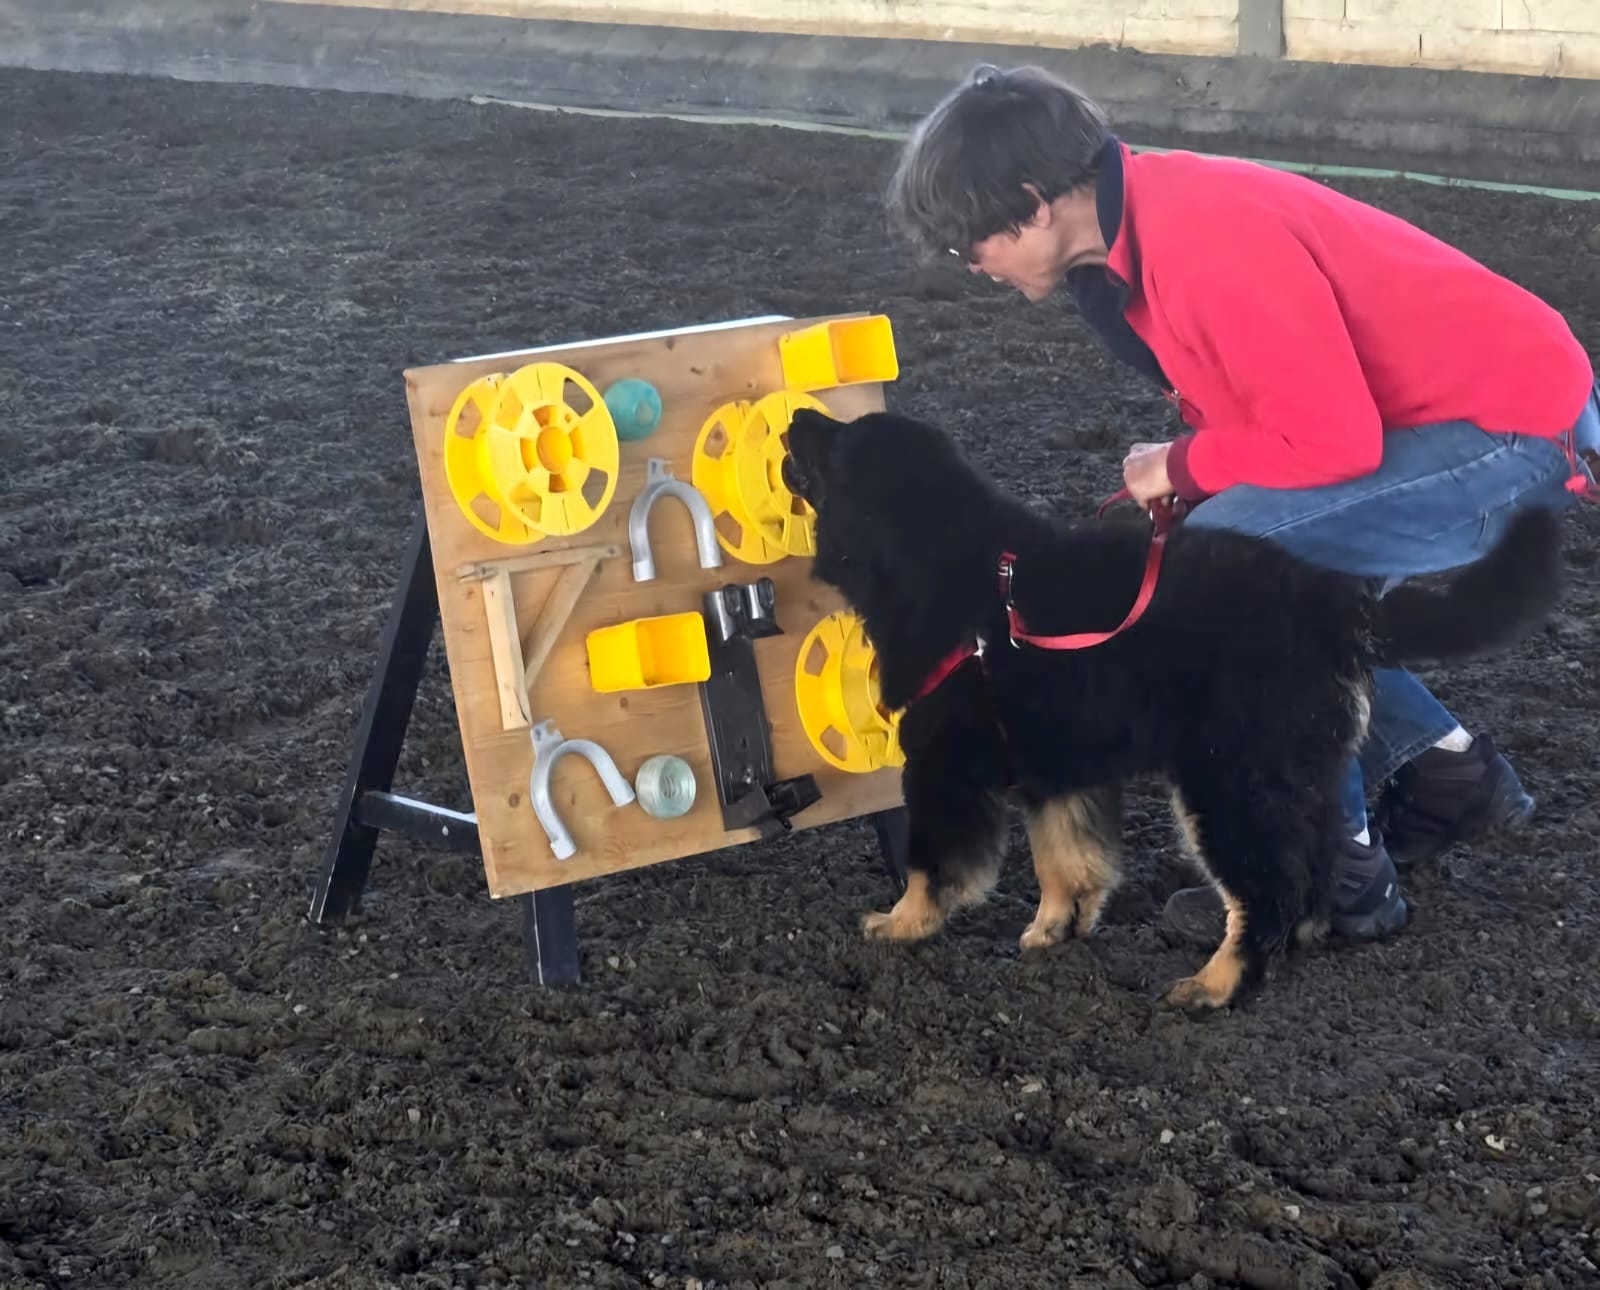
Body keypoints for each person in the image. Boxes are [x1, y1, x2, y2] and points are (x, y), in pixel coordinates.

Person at [883, 63, 1599, 947]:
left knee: (1232, 576)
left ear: (1032, 204)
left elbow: (1335, 443)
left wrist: (1183, 468)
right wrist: (1189, 481)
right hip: (1438, 419)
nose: (973, 267)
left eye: (970, 245)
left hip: (1512, 430)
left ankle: (1332, 871)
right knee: (1234, 562)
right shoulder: (1127, 242)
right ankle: (1449, 774)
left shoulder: (1201, 240)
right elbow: (1266, 404)